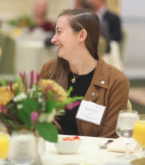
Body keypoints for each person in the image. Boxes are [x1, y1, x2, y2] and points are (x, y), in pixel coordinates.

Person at [40, 9, 129, 138]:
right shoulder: (49, 70)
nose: (53, 39)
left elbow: (110, 140)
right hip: (52, 153)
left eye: (59, 32)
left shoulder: (116, 82)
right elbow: (36, 123)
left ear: (81, 35)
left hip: (92, 157)